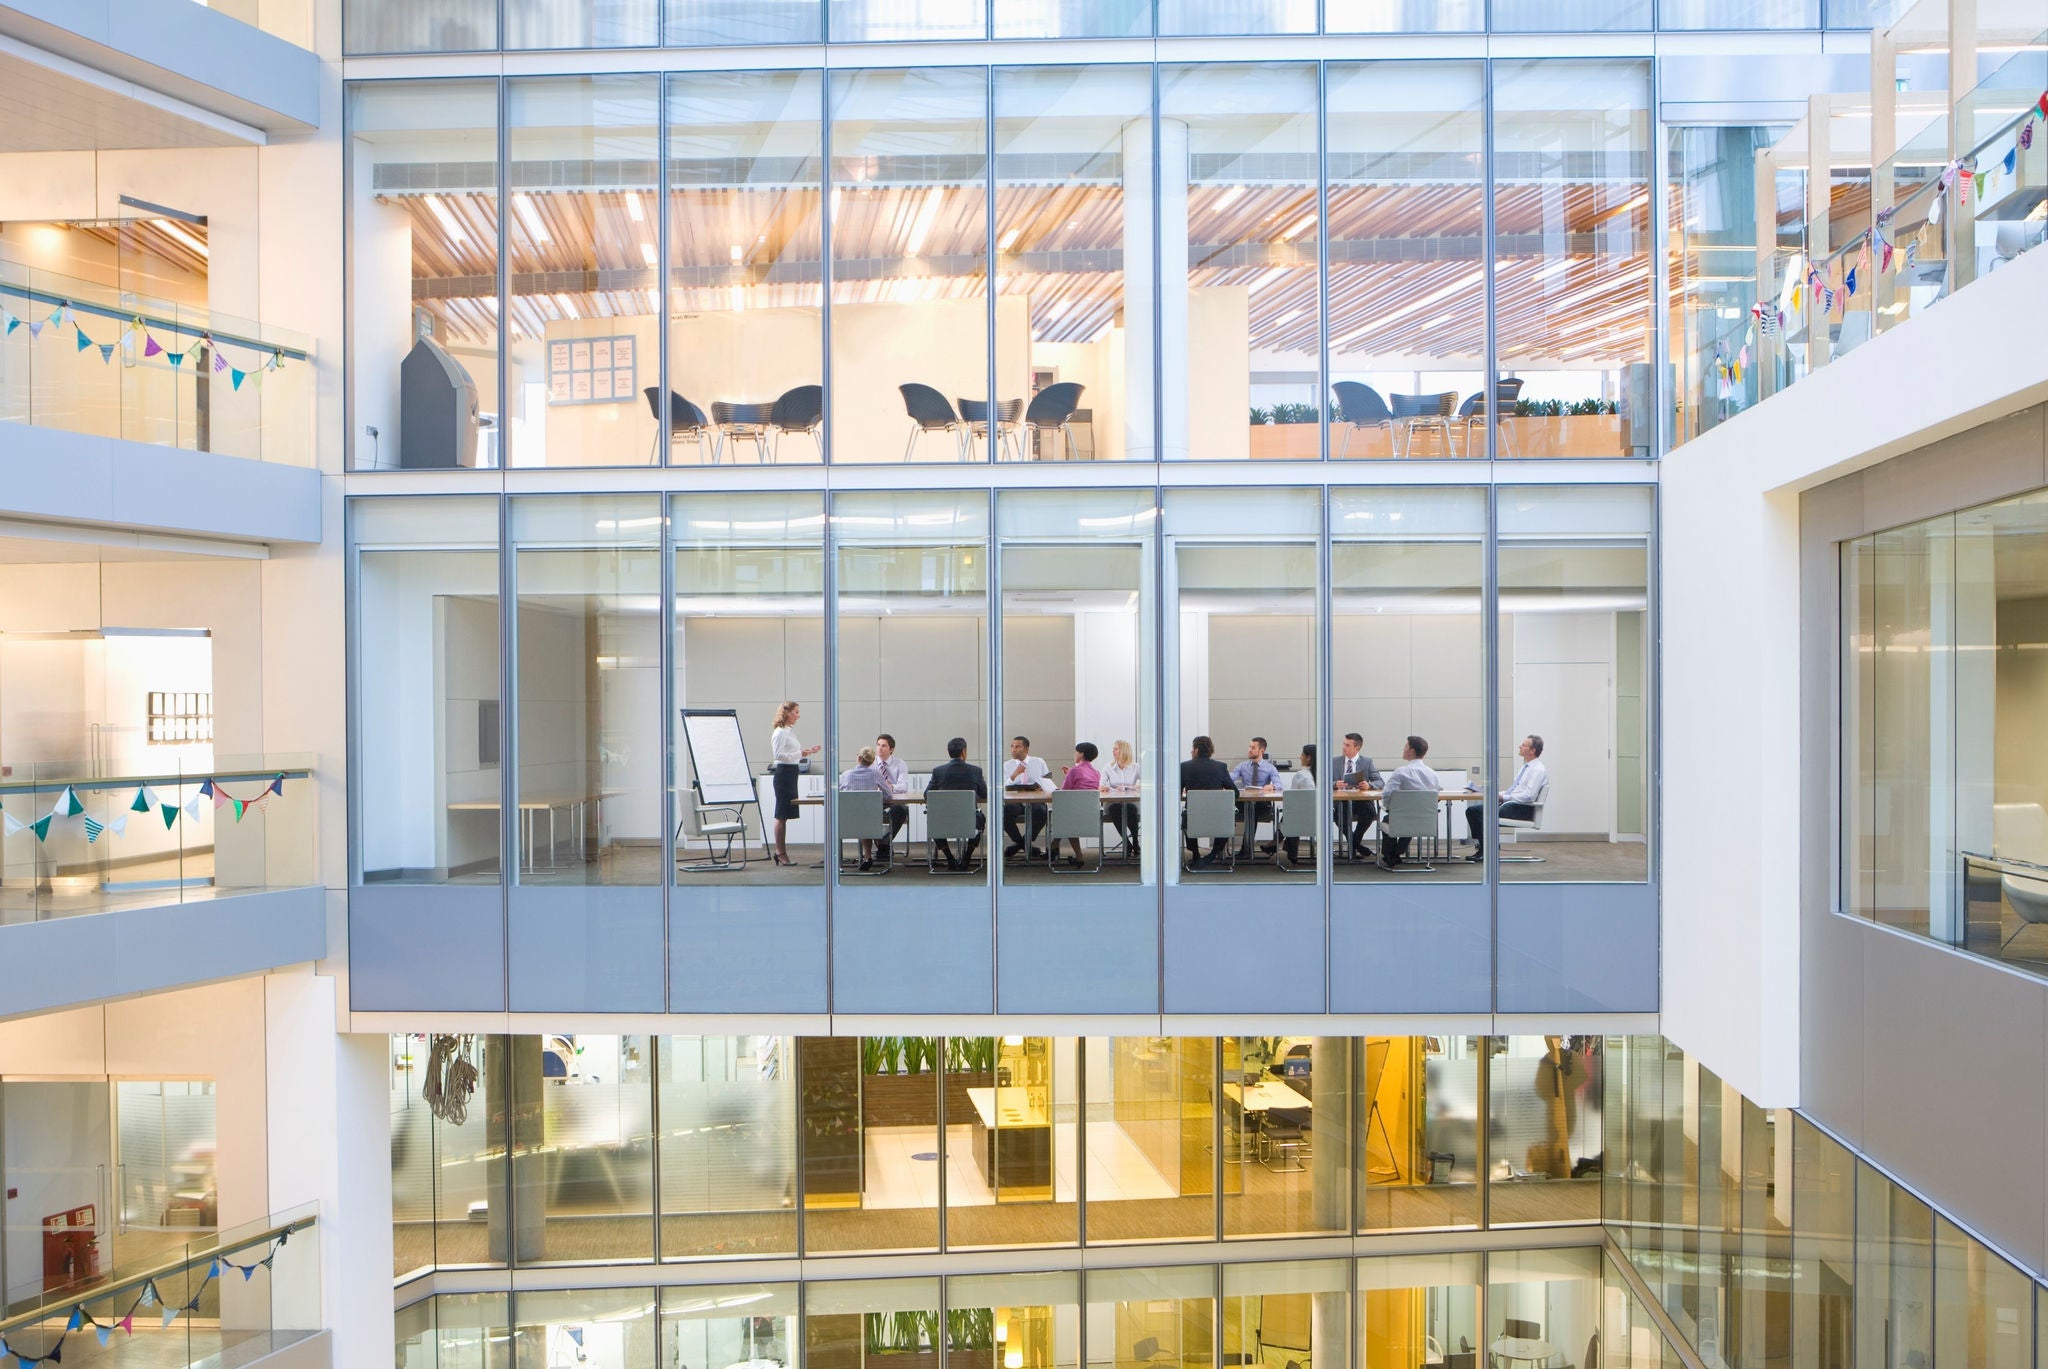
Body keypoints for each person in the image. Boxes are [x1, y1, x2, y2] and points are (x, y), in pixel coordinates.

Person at [1466, 734, 1547, 862]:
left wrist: (1504, 797)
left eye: (1524, 745)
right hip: (1514, 805)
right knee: (1472, 810)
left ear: (1532, 750)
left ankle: (1487, 849)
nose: (1520, 746)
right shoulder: (1526, 767)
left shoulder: (1537, 770)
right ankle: (1485, 846)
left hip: (1522, 809)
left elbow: (1529, 796)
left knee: (1479, 812)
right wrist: (1496, 793)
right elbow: (1516, 791)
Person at [768, 700, 821, 868]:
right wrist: (800, 753)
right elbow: (779, 755)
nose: (798, 715)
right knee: (781, 815)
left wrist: (804, 752)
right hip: (784, 774)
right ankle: (780, 853)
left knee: (784, 815)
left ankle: (781, 852)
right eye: (796, 712)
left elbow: (791, 753)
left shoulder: (789, 732)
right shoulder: (781, 732)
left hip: (791, 773)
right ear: (788, 712)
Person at [1379, 734, 1443, 869]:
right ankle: (1396, 853)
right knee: (1409, 819)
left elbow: (1387, 794)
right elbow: (1436, 794)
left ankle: (1390, 855)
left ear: (1412, 751)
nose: (1403, 749)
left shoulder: (1401, 772)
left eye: (1406, 746)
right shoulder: (1432, 774)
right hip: (1424, 820)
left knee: (1389, 818)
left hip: (1402, 818)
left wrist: (1388, 806)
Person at [926, 736, 987, 870]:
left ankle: (949, 858)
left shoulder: (938, 771)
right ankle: (967, 856)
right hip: (969, 820)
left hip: (943, 821)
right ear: (964, 752)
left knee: (932, 820)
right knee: (981, 818)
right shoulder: (975, 771)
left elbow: (927, 795)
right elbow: (985, 794)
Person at [1179, 734, 1234, 867]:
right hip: (1217, 818)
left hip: (1194, 818)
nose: (1191, 751)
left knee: (1186, 817)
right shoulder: (1221, 767)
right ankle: (1212, 855)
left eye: (1193, 748)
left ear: (1197, 750)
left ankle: (1196, 855)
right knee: (1227, 818)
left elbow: (1176, 793)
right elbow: (1235, 792)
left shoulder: (1184, 767)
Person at [1001, 735, 1054, 859]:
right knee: (1004, 813)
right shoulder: (1007, 765)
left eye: (1018, 747)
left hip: (1035, 800)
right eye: (1012, 746)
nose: (1013, 749)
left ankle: (1021, 844)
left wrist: (1042, 786)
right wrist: (1013, 776)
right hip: (1015, 801)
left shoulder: (1039, 762)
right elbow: (1003, 787)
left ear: (1026, 749)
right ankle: (1024, 844)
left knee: (1041, 812)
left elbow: (1047, 781)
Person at [1230, 736, 1283, 859]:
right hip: (1243, 804)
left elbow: (1279, 785)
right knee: (1250, 808)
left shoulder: (1270, 768)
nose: (1249, 750)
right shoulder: (1242, 766)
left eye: (1253, 748)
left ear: (1261, 750)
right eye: (1249, 747)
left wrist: (1272, 786)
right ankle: (1245, 850)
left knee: (1253, 809)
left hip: (1262, 805)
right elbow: (1230, 778)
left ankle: (1246, 850)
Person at [838, 746, 890, 871]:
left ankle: (837, 860)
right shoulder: (875, 774)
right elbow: (888, 795)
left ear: (859, 758)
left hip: (847, 821)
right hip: (869, 820)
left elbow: (837, 795)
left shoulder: (846, 775)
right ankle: (867, 857)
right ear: (872, 761)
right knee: (864, 819)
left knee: (858, 818)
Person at [1334, 732, 1384, 860]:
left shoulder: (1367, 762)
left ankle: (1353, 843)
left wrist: (1369, 785)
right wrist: (1335, 784)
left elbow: (1380, 781)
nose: (1343, 747)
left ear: (1357, 748)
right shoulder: (1334, 762)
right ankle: (1356, 845)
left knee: (1370, 813)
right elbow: (1322, 782)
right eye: (1344, 744)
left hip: (1361, 800)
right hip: (1342, 801)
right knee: (1338, 816)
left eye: (1347, 745)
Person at [1055, 741, 1102, 867]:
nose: (1074, 754)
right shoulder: (1096, 772)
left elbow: (1063, 793)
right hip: (1091, 815)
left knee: (1064, 815)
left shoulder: (1074, 771)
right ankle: (1054, 846)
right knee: (1070, 815)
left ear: (1081, 754)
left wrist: (1068, 777)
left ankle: (1057, 847)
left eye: (1076, 751)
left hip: (1073, 815)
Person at [874, 733, 912, 862]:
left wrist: (890, 787)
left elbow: (903, 786)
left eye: (884, 746)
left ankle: (884, 843)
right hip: (874, 801)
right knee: (866, 812)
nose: (880, 748)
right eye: (878, 745)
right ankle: (883, 845)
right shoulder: (871, 763)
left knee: (900, 810)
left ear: (891, 749)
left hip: (894, 801)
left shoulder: (899, 763)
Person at [1279, 743, 1316, 868]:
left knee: (1291, 812)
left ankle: (1280, 846)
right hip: (1321, 820)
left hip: (1300, 821)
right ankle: (1278, 845)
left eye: (1302, 755)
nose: (1300, 757)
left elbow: (1292, 798)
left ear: (1309, 757)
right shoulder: (1326, 774)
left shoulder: (1301, 775)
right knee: (1294, 812)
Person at [1102, 739, 1140, 859]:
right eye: (1113, 749)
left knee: (1130, 809)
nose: (1113, 751)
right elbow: (1101, 784)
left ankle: (1135, 840)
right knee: (1116, 809)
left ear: (1123, 750)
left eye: (1116, 749)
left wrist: (1130, 787)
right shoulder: (1108, 767)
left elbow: (1148, 783)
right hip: (1113, 803)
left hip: (1131, 802)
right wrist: (1104, 787)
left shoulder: (1136, 766)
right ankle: (1127, 842)